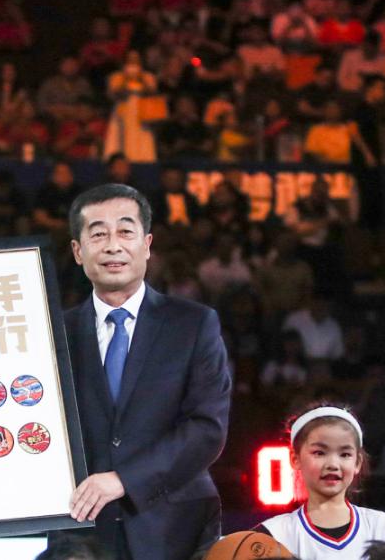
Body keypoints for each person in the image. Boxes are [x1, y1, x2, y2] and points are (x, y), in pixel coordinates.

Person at [52, 184, 231, 559]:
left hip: (175, 527)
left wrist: (125, 480)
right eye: (98, 234)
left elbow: (206, 428)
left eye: (125, 231)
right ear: (78, 251)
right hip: (82, 531)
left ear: (147, 245)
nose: (113, 246)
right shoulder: (55, 333)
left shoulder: (193, 324)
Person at [254, 404, 385, 557]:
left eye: (345, 454)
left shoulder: (380, 529)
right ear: (295, 459)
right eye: (319, 453)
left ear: (357, 463)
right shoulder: (275, 535)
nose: (333, 464)